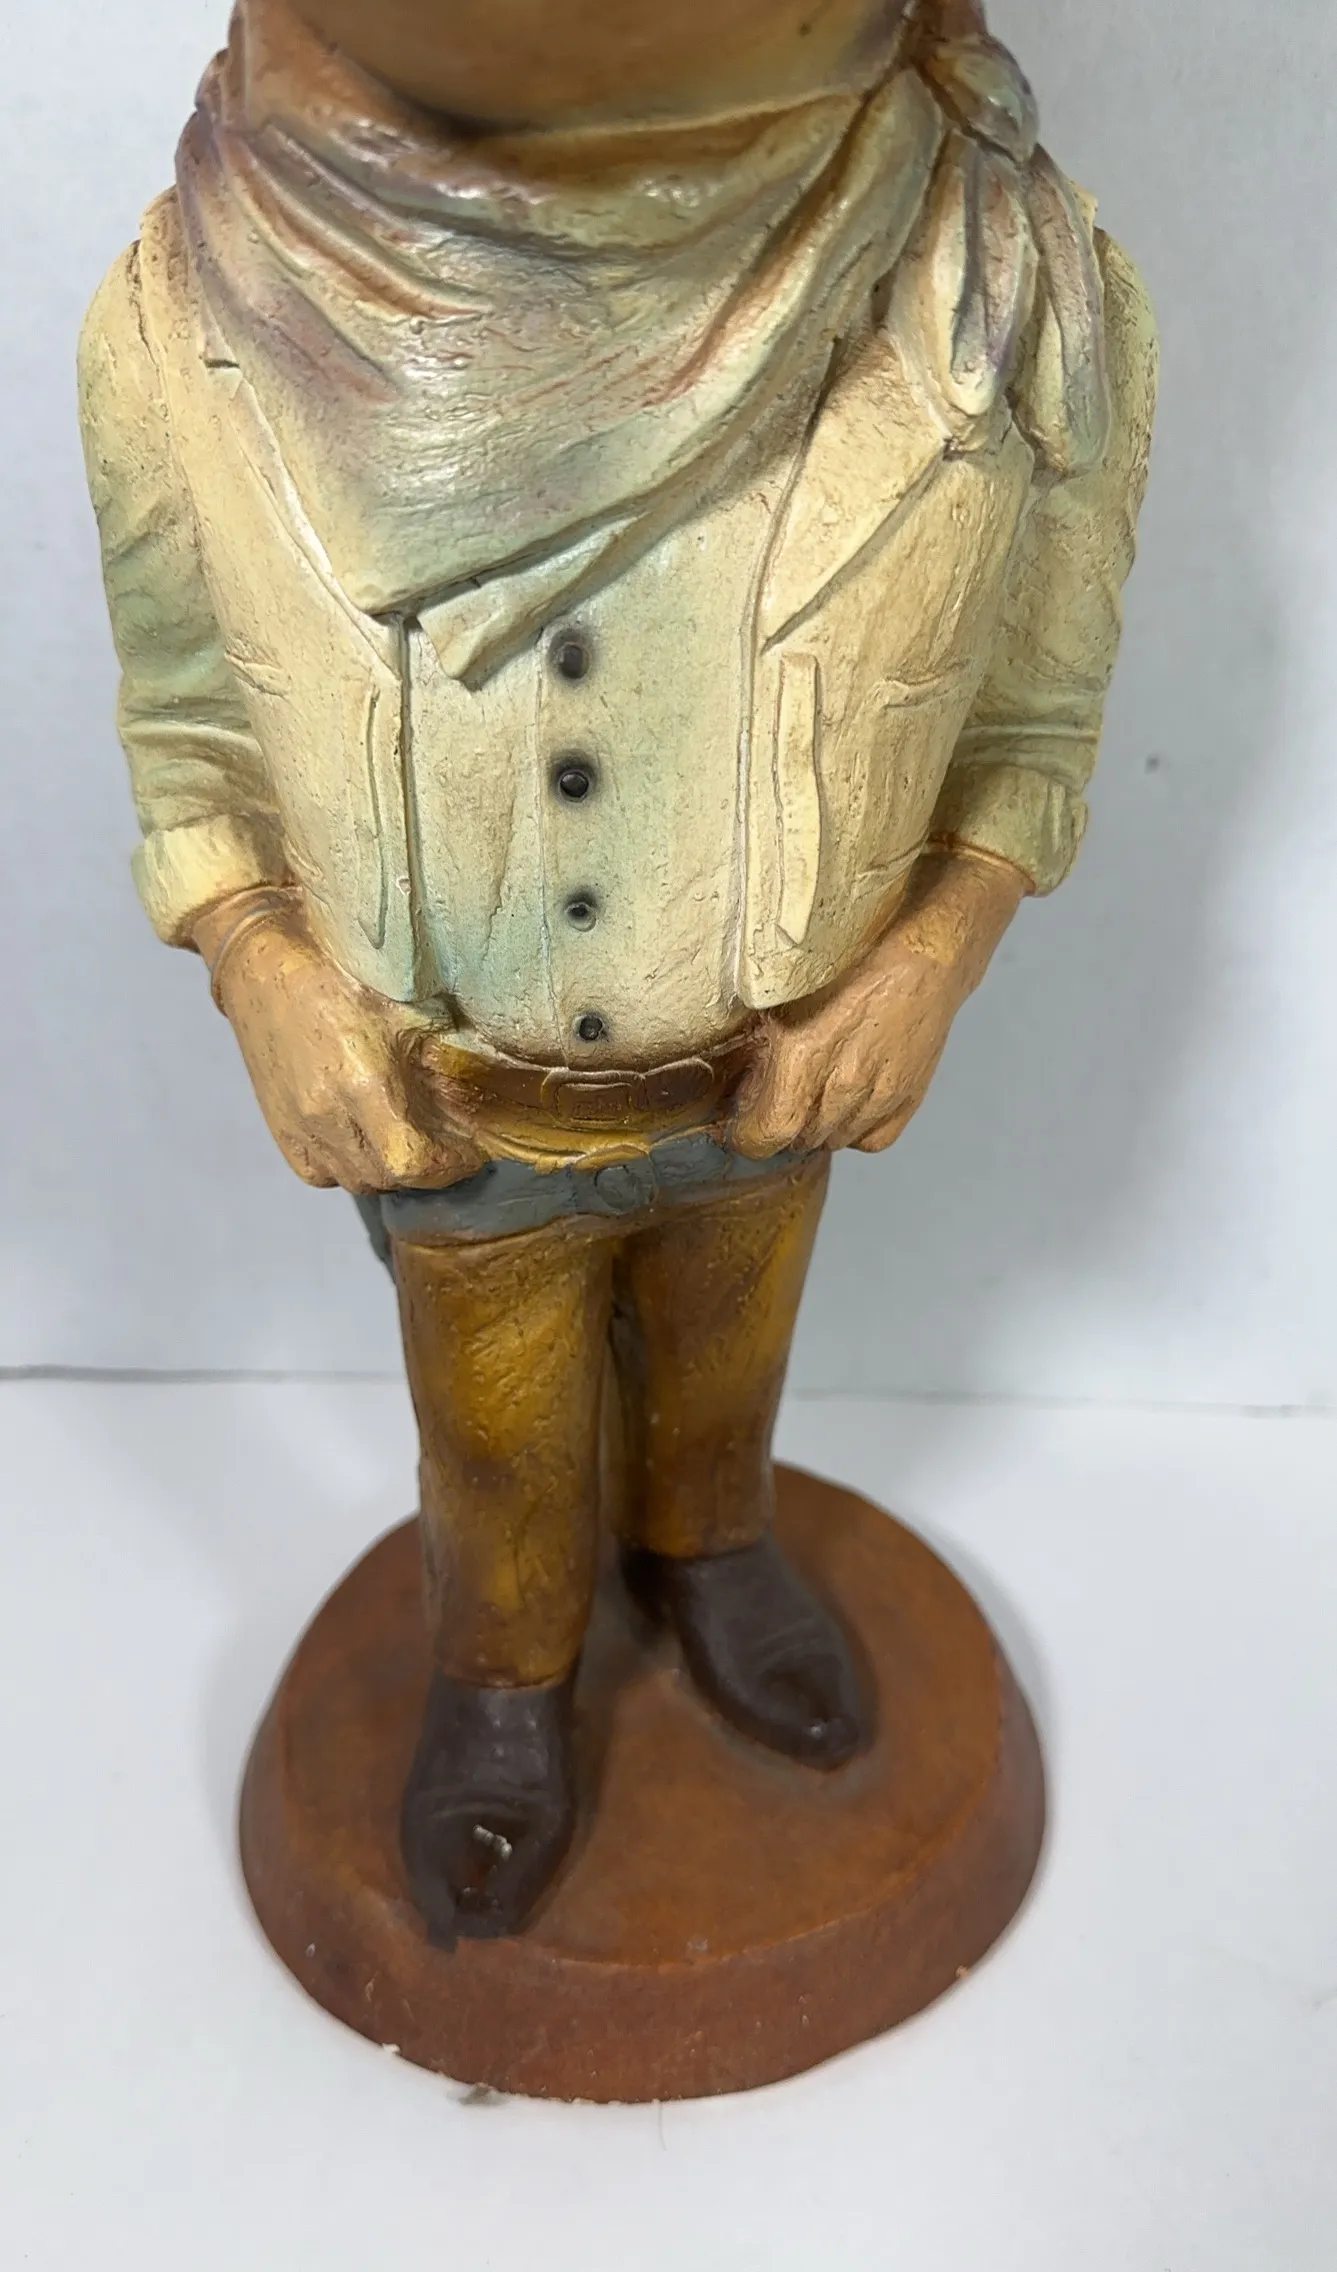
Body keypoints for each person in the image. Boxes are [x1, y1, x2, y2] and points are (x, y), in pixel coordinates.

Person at [79, 0, 1156, 1939]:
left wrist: (936, 948)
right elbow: (185, 723)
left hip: (765, 1082)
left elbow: (1034, 705)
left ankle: (709, 1549)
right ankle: (503, 1681)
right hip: (461, 1109)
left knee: (723, 1368)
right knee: (494, 1440)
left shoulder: (998, 285)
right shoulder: (190, 313)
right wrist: (260, 963)